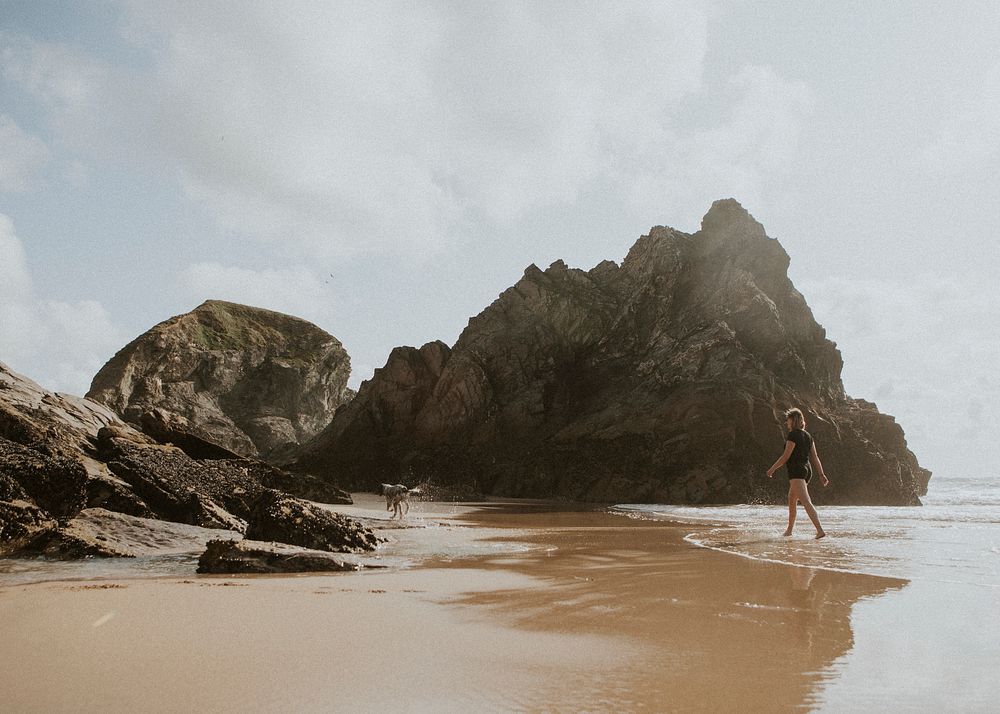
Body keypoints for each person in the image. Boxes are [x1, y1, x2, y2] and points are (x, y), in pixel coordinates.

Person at [766, 408, 829, 539]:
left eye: (788, 420)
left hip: (797, 471)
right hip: (807, 470)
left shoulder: (793, 435)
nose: (786, 423)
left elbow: (785, 456)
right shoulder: (808, 436)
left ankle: (820, 530)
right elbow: (815, 457)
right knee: (792, 499)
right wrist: (821, 474)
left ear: (793, 420)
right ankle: (789, 530)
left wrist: (772, 469)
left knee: (806, 501)